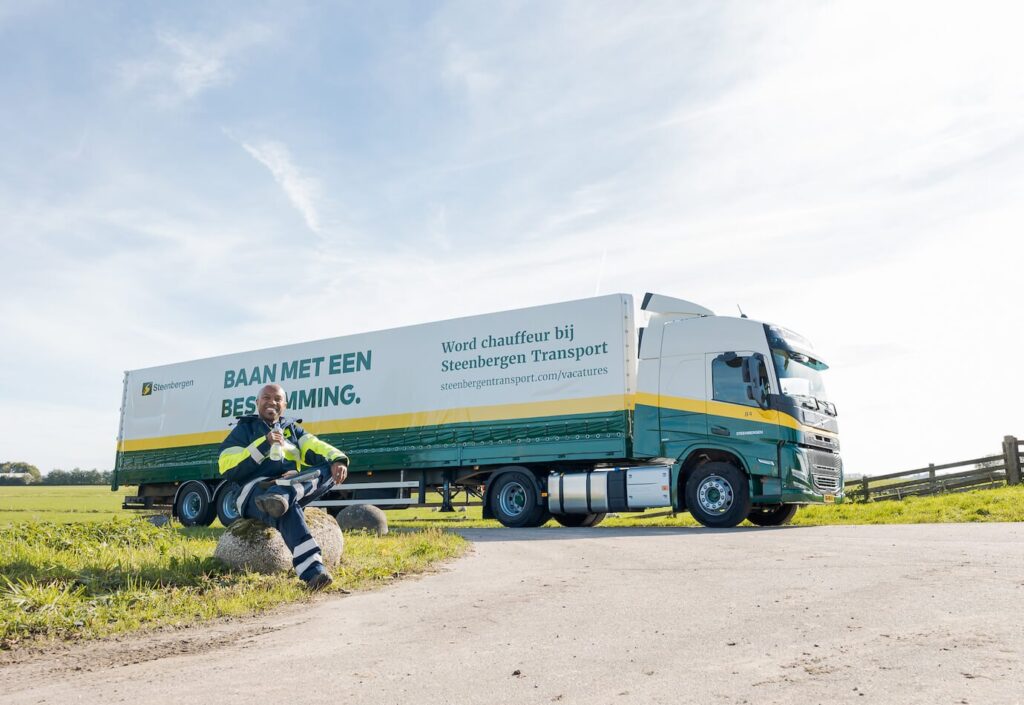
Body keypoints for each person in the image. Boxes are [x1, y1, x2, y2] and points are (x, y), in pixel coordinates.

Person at [218, 384, 349, 591]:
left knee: (329, 468)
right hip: (254, 491)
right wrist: (264, 444)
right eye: (266, 397)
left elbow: (316, 445)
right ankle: (315, 573)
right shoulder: (244, 429)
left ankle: (283, 494)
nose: (272, 402)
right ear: (257, 402)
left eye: (277, 399)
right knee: (286, 509)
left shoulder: (293, 429)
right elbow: (227, 466)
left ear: (285, 405)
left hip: (289, 485)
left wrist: (338, 459)